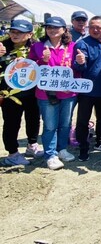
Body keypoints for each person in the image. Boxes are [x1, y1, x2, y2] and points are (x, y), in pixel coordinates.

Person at [29, 17, 77, 170]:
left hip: (68, 93)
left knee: (65, 123)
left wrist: (81, 62)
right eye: (49, 27)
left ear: (64, 29)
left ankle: (62, 149)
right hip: (46, 93)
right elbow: (31, 69)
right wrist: (42, 61)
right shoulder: (37, 46)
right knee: (50, 125)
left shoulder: (73, 46)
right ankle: (50, 154)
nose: (52, 30)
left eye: (56, 27)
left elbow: (76, 69)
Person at [73, 16, 101, 162]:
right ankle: (83, 147)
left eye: (98, 27)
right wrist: (80, 62)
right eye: (92, 27)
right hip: (87, 90)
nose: (95, 30)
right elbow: (79, 66)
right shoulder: (82, 44)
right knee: (83, 119)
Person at [0, 20, 42, 166]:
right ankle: (12, 154)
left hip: (32, 93)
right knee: (11, 123)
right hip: (10, 95)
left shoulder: (36, 48)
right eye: (13, 31)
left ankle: (32, 145)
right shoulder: (2, 47)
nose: (15, 34)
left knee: (33, 119)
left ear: (30, 34)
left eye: (20, 32)